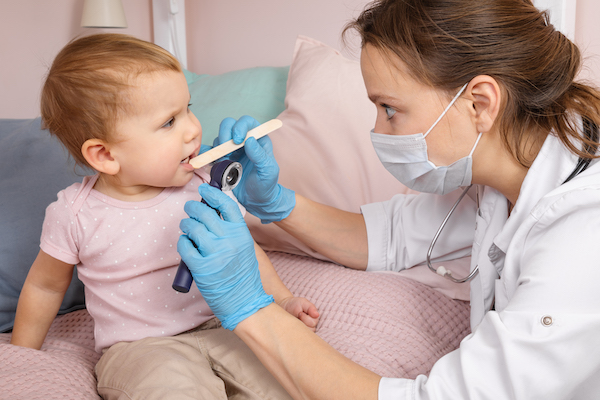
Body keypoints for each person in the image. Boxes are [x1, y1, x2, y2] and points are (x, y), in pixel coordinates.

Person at [177, 0, 600, 398]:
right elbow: (391, 235)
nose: (378, 130)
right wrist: (274, 201)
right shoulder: (502, 172)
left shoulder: (582, 232)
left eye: (390, 109)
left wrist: (251, 310)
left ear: (480, 103)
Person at [9, 33, 319, 400]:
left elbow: (245, 251)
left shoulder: (207, 182)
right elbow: (45, 286)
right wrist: (21, 357)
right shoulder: (74, 213)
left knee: (289, 383)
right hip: (141, 348)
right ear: (105, 155)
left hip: (224, 327)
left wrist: (281, 301)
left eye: (189, 108)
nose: (193, 129)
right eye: (169, 122)